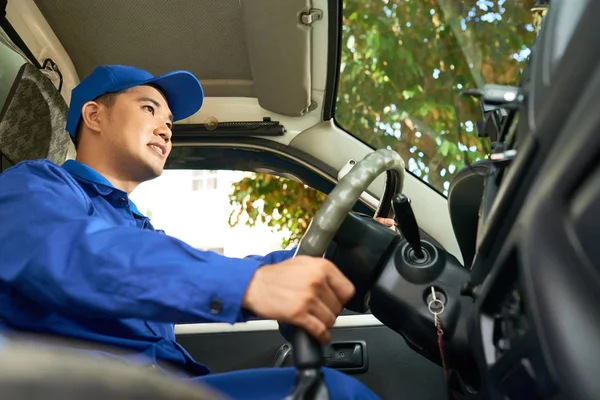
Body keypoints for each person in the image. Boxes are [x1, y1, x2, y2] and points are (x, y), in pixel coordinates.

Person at [0, 65, 392, 399]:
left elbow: (202, 267)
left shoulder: (139, 227)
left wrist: (332, 255)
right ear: (94, 115)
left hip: (170, 386)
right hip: (92, 388)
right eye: (149, 109)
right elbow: (79, 256)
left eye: (169, 122)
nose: (167, 131)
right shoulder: (33, 185)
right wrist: (248, 283)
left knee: (336, 390)